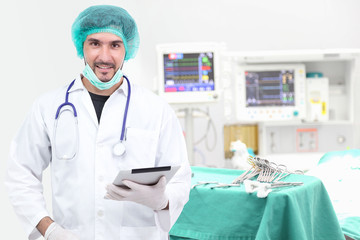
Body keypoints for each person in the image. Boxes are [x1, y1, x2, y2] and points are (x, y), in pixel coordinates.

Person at [5, 5, 191, 240]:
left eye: (115, 45)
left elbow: (182, 180)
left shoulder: (157, 110)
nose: (104, 56)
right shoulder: (47, 107)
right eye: (95, 43)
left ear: (127, 49)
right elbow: (20, 173)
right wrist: (49, 229)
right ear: (81, 46)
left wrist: (163, 201)